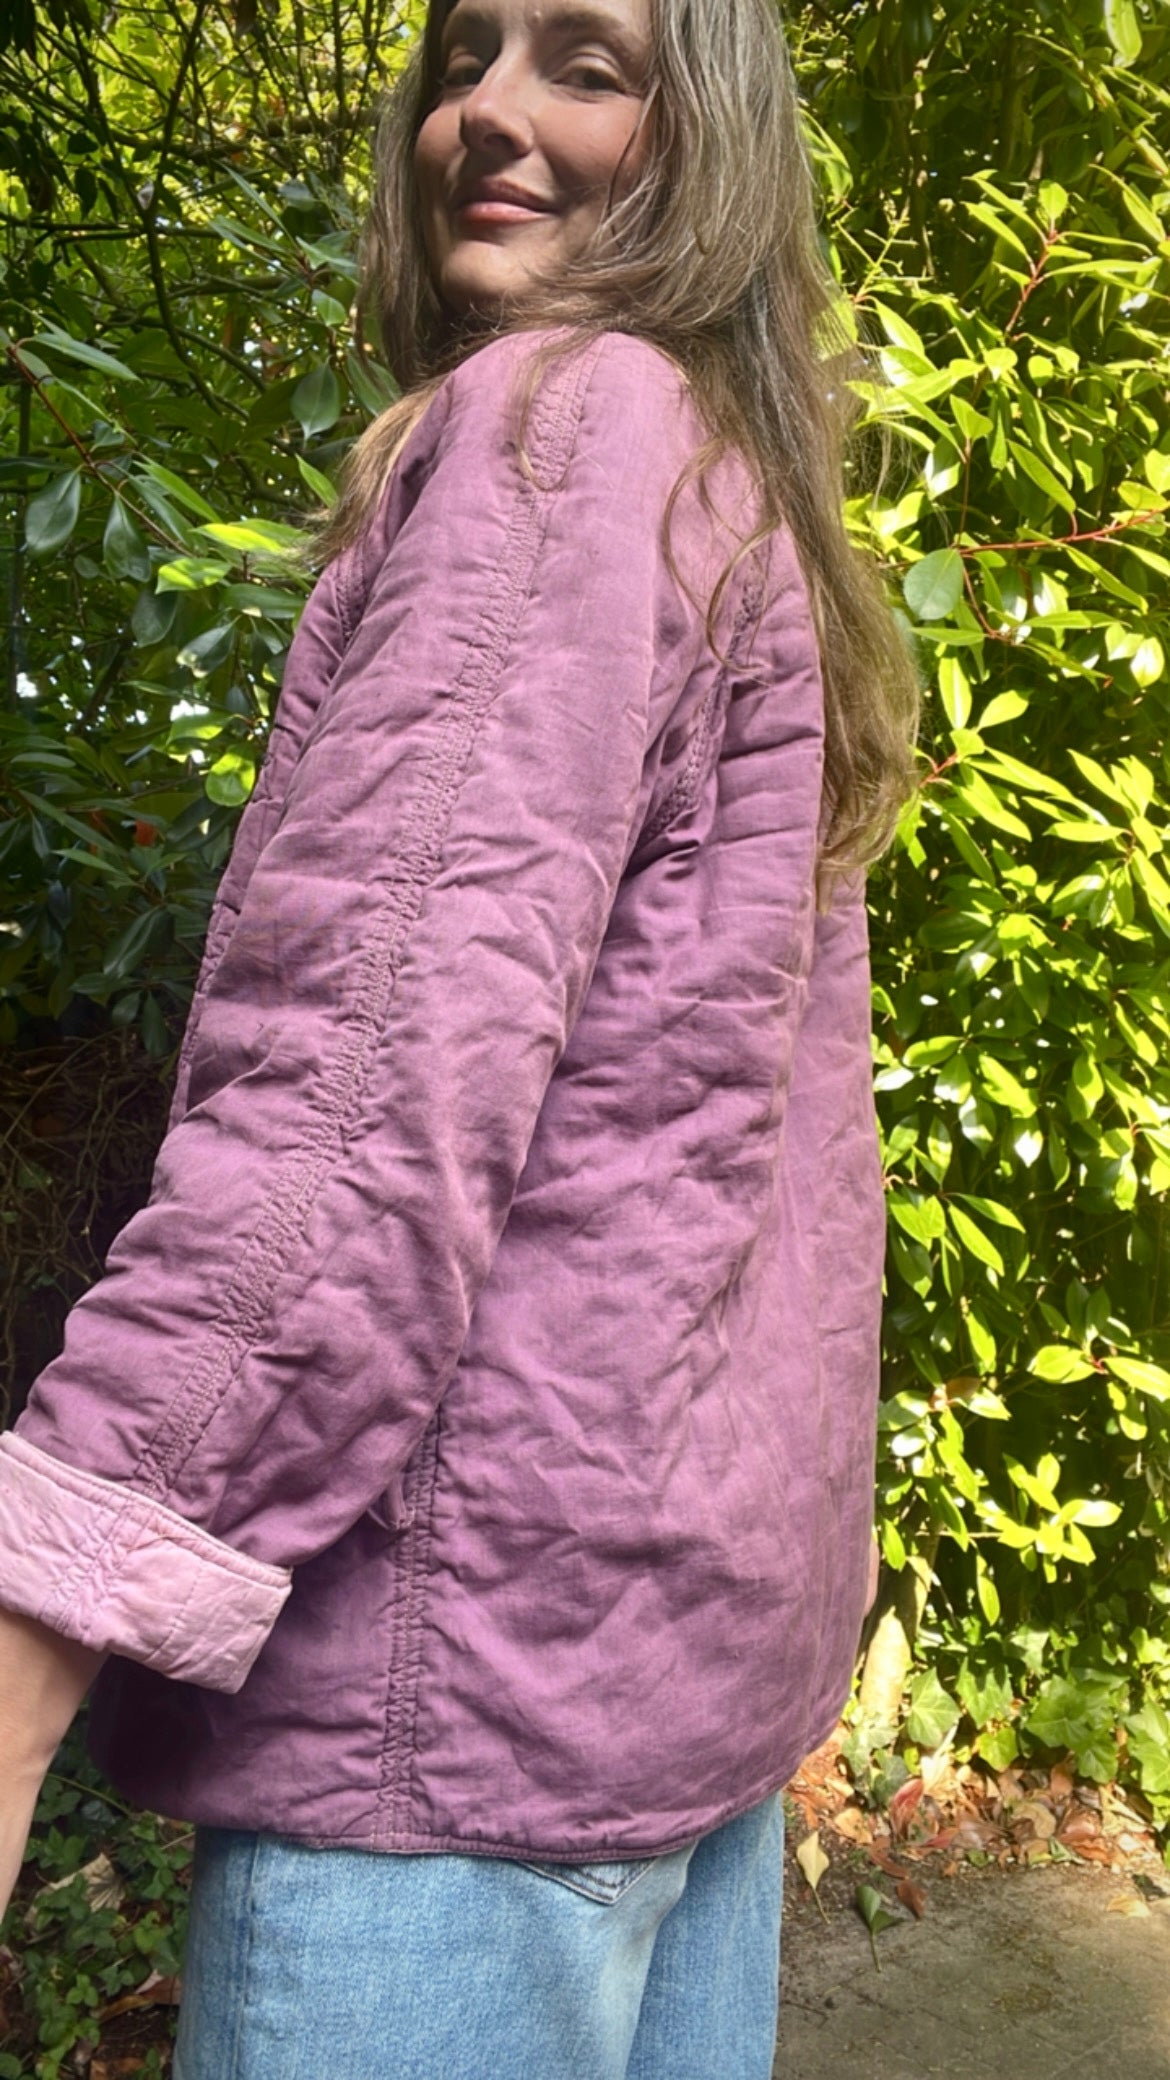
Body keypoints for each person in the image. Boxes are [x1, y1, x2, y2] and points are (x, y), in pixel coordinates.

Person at [0, 0, 918, 2072]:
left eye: (583, 65)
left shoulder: (563, 431)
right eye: (466, 56)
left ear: (708, 143)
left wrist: (33, 1632)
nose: (483, 115)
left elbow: (354, 1112)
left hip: (453, 1723)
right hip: (665, 1689)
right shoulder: (723, 477)